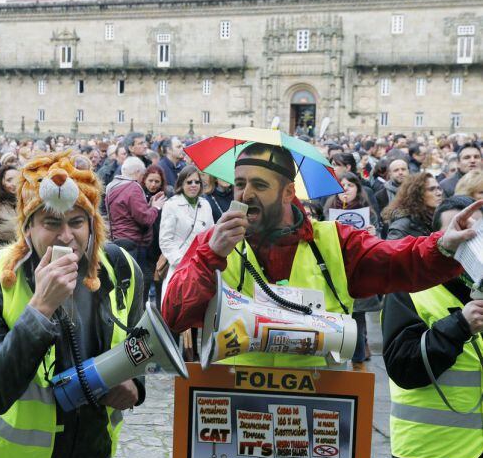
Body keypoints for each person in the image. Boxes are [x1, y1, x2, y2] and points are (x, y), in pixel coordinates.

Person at [162, 141, 482, 369]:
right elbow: (174, 314)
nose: (245, 195)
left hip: (320, 417)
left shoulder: (334, 241)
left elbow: (399, 261)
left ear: (289, 193)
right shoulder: (213, 243)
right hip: (237, 407)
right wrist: (209, 256)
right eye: (240, 183)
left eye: (259, 184)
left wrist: (444, 244)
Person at [0, 151, 145, 458]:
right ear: (27, 227)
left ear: (92, 225)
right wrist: (41, 308)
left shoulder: (120, 267)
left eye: (76, 222)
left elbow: (138, 342)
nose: (65, 236)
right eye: (52, 222)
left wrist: (136, 385)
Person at [382, 195, 483, 458]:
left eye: (477, 239)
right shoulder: (407, 289)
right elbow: (404, 367)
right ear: (441, 240)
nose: (470, 249)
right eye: (460, 237)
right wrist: (460, 325)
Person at [323, 172, 380, 371]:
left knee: (358, 317)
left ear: (358, 188)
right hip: (335, 268)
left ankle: (358, 359)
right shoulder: (328, 210)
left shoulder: (369, 213)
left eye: (350, 185)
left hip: (359, 270)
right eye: (342, 185)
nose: (345, 189)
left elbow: (378, 246)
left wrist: (373, 235)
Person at [106, 157, 166, 301]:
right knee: (135, 286)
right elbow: (145, 219)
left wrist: (148, 205)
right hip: (133, 244)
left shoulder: (112, 186)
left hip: (117, 240)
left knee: (122, 283)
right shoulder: (133, 187)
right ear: (138, 172)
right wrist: (156, 207)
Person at [159, 165, 215, 303]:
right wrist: (181, 261)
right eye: (189, 182)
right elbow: (165, 240)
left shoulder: (205, 205)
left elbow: (211, 235)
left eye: (197, 182)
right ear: (181, 184)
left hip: (201, 267)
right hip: (179, 266)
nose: (193, 185)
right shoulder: (171, 205)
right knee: (177, 306)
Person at [141, 165, 170, 306]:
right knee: (143, 289)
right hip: (145, 251)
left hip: (161, 251)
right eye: (150, 180)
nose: (153, 185)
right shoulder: (139, 196)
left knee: (161, 290)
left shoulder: (167, 198)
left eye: (157, 182)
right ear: (144, 180)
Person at [383, 173, 443, 240]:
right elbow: (391, 249)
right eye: (432, 189)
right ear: (417, 194)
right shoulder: (402, 226)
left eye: (439, 188)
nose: (439, 193)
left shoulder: (435, 219)